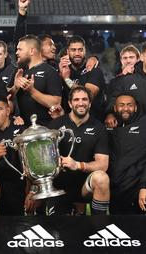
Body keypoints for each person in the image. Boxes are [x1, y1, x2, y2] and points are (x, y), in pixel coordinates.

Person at [47, 86, 110, 215]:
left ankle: (100, 224)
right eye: (76, 100)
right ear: (70, 103)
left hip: (84, 186)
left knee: (101, 178)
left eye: (84, 99)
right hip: (59, 185)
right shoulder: (55, 125)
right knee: (60, 231)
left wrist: (78, 165)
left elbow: (103, 164)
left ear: (90, 103)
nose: (81, 103)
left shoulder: (99, 128)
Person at [11, 35, 62, 126]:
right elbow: (6, 99)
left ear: (31, 51)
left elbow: (56, 103)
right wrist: (15, 87)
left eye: (20, 49)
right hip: (23, 129)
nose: (17, 52)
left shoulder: (50, 72)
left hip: (45, 130)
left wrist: (32, 91)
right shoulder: (19, 72)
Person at [59, 36, 106, 120]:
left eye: (80, 50)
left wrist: (67, 80)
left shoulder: (93, 69)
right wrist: (59, 74)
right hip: (68, 122)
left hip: (93, 122)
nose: (77, 53)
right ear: (67, 51)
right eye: (73, 50)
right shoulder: (63, 70)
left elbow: (88, 95)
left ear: (85, 51)